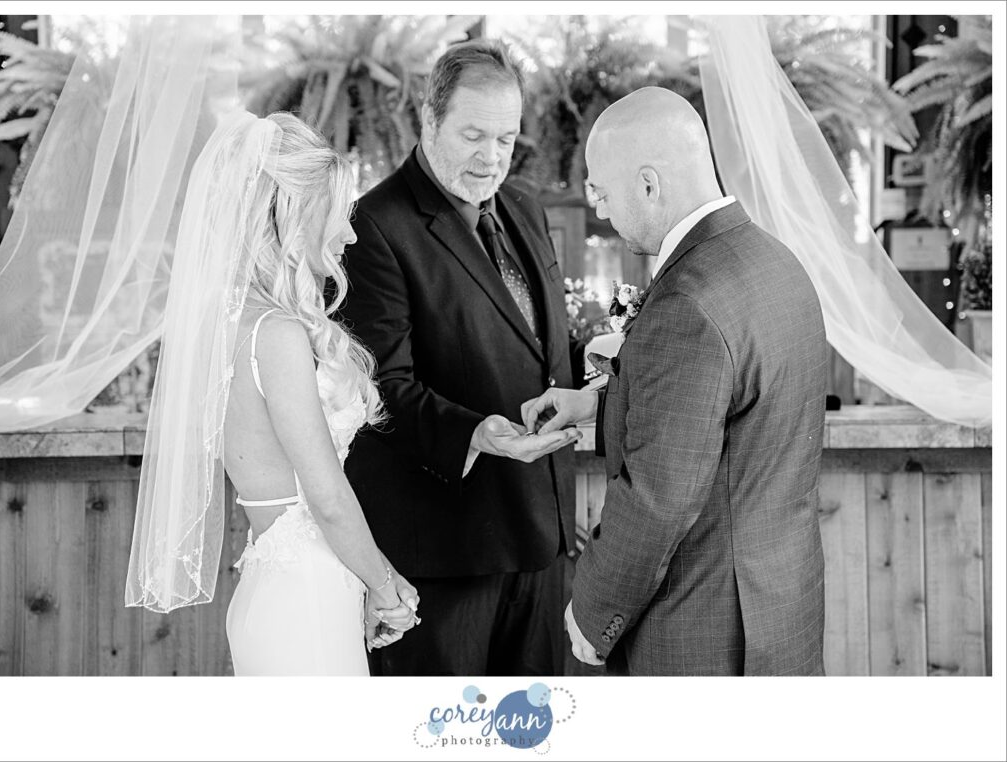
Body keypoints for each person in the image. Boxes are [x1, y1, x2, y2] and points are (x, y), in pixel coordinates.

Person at [522, 87, 828, 676]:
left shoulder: (686, 302)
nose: (602, 212)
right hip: (782, 607)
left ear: (648, 184)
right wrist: (595, 403)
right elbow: (727, 409)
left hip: (704, 629)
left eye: (604, 193)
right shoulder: (776, 263)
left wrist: (592, 615)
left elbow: (658, 500)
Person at [126, 111, 418, 675]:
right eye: (339, 213)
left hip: (276, 586)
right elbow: (326, 497)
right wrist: (386, 587)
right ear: (293, 213)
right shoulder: (277, 334)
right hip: (306, 596)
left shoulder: (226, 324)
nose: (350, 234)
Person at [340, 39, 587, 676]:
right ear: (429, 119)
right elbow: (379, 388)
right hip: (442, 556)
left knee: (533, 737)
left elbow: (537, 348)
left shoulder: (527, 210)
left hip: (541, 538)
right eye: (474, 135)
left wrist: (599, 370)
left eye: (506, 139)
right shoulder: (375, 224)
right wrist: (475, 432)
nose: (491, 157)